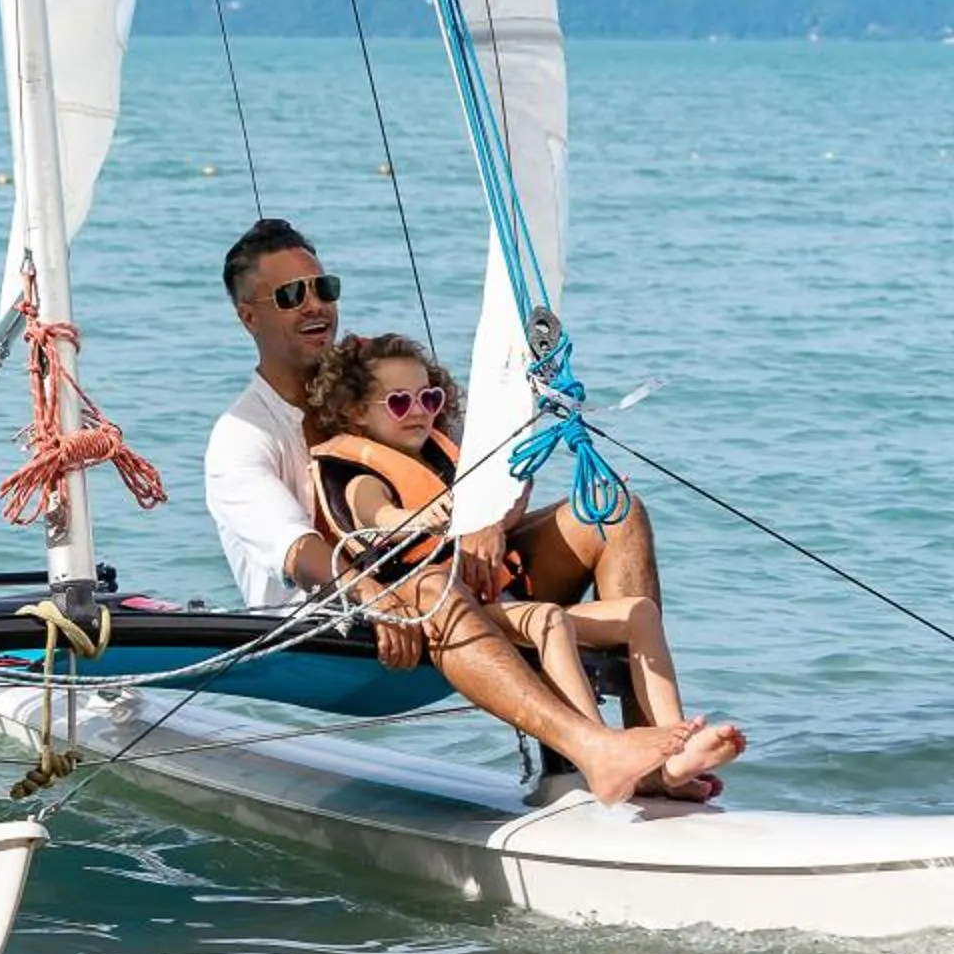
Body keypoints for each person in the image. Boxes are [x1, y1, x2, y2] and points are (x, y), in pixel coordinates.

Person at [203, 217, 734, 805]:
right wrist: (379, 596)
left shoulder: (381, 389)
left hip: (448, 579)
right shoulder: (242, 437)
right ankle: (591, 750)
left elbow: (474, 482)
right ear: (248, 316)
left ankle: (655, 755)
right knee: (430, 586)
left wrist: (489, 520)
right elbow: (300, 554)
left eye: (322, 288)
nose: (315, 307)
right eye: (289, 295)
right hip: (339, 631)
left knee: (615, 513)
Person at [301, 333, 718, 799]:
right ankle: (599, 750)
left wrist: (496, 509)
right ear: (357, 413)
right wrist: (435, 518)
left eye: (429, 397)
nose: (419, 410)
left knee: (639, 609)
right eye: (399, 402)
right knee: (545, 617)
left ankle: (669, 757)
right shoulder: (358, 474)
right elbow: (377, 517)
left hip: (500, 597)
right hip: (444, 606)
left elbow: (512, 484)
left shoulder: (438, 450)